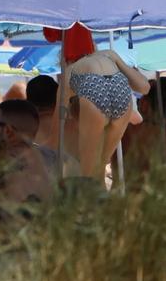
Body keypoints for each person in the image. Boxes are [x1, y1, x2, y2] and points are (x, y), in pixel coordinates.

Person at [63, 46, 149, 183]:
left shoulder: (71, 71)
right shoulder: (109, 55)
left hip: (92, 92)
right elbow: (144, 87)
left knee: (88, 175)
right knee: (100, 168)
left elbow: (58, 122)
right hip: (120, 93)